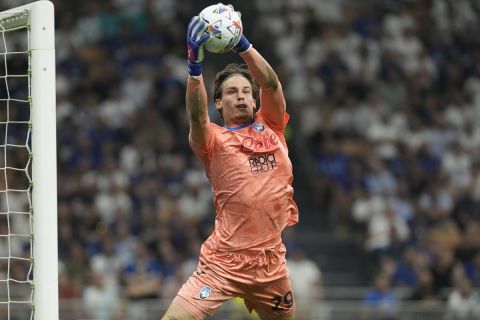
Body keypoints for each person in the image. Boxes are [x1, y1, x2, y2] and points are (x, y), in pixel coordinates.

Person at [161, 8, 299, 320]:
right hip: (223, 261)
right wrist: (195, 66)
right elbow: (196, 115)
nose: (241, 97)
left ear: (254, 100)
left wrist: (243, 43)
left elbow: (273, 85)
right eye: (232, 92)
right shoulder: (212, 139)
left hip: (270, 263)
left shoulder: (273, 126)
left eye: (247, 92)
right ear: (218, 103)